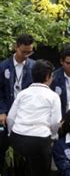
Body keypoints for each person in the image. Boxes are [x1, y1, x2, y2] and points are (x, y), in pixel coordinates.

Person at [8, 60, 62, 176]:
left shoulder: (22, 93)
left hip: (17, 138)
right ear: (48, 76)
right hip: (39, 140)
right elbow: (55, 122)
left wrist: (11, 134)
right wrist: (52, 136)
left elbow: (11, 118)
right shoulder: (53, 96)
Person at [0, 34, 36, 171]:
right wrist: (2, 111)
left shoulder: (34, 67)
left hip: (26, 116)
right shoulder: (3, 66)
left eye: (30, 52)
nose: (26, 55)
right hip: (7, 113)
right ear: (16, 47)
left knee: (25, 152)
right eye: (24, 52)